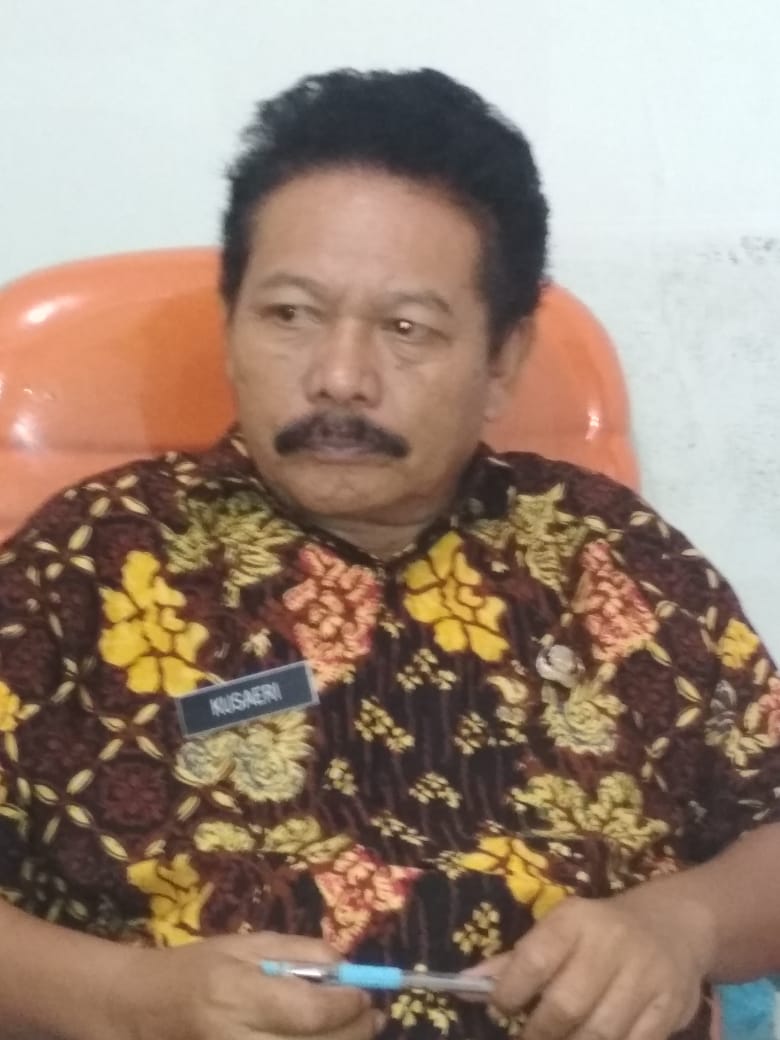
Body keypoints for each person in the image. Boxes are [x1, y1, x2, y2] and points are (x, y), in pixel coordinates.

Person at [0, 67, 778, 1040]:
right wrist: (129, 1002)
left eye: (407, 328)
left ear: (502, 361)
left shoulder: (611, 557)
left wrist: (682, 925)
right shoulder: (87, 562)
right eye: (290, 314)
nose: (339, 377)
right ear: (230, 324)